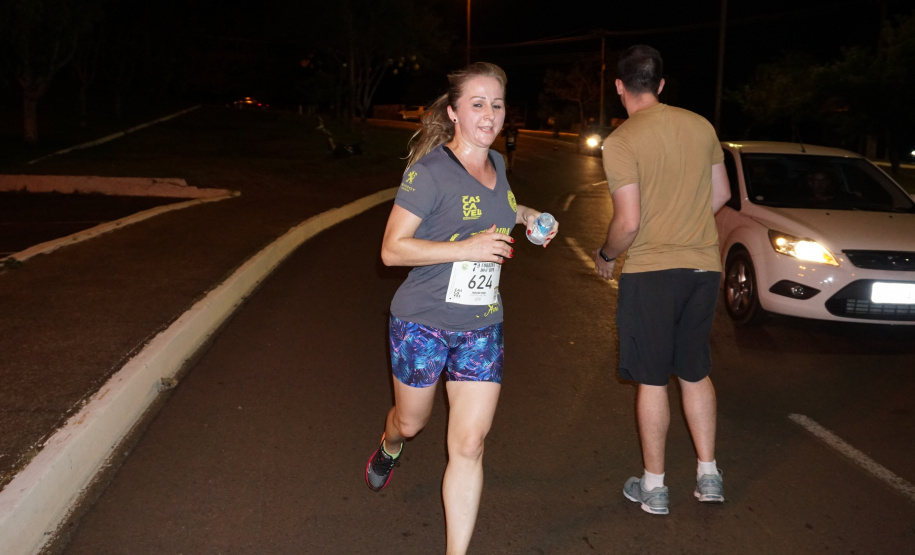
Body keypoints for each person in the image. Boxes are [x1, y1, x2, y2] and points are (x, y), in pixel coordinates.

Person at [364, 62, 558, 553]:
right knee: (412, 423)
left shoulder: (499, 167)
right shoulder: (427, 173)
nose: (490, 114)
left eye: (497, 104)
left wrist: (529, 215)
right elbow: (391, 250)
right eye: (478, 103)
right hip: (421, 323)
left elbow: (500, 206)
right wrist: (466, 248)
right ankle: (389, 445)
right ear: (453, 113)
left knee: (469, 445)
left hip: (480, 325)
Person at [591, 45, 731, 516]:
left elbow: (627, 223)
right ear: (662, 84)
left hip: (652, 273)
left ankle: (654, 486)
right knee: (694, 370)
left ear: (619, 87)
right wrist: (686, 224)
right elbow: (723, 193)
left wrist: (608, 254)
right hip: (703, 268)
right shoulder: (701, 126)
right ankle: (709, 475)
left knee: (651, 379)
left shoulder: (623, 140)